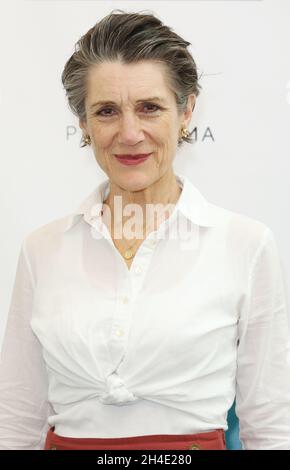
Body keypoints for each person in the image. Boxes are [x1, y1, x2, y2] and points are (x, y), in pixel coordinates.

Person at [0, 9, 290, 451]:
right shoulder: (41, 250)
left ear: (187, 109)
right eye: (107, 111)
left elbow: (271, 426)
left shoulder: (246, 246)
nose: (129, 133)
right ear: (83, 123)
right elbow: (17, 421)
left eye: (149, 108)